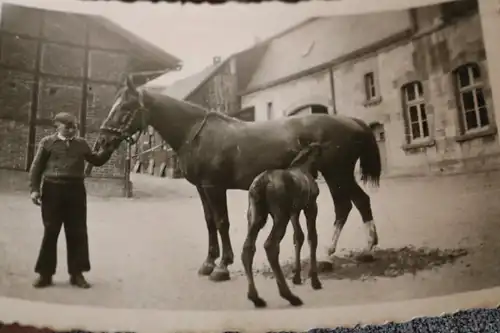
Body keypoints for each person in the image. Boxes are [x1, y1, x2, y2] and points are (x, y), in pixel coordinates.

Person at [29, 112, 113, 289]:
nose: (72, 129)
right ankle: (45, 275)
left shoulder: (81, 144)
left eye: (74, 126)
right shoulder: (47, 143)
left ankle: (77, 274)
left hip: (75, 191)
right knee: (51, 231)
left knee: (77, 231)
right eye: (67, 126)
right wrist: (35, 190)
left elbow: (96, 160)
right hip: (52, 190)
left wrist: (108, 149)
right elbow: (36, 169)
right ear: (57, 126)